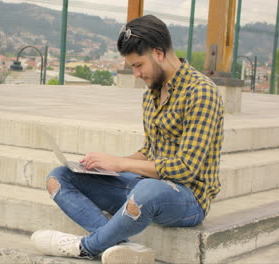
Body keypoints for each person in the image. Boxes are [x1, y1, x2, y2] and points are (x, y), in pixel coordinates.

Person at [30, 14, 225, 264]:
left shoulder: (201, 92)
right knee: (59, 177)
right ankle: (124, 248)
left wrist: (122, 165)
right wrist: (107, 164)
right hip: (146, 187)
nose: (135, 74)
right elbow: (149, 150)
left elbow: (185, 169)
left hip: (187, 199)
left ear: (158, 53)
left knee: (147, 189)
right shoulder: (151, 95)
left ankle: (86, 247)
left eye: (138, 65)